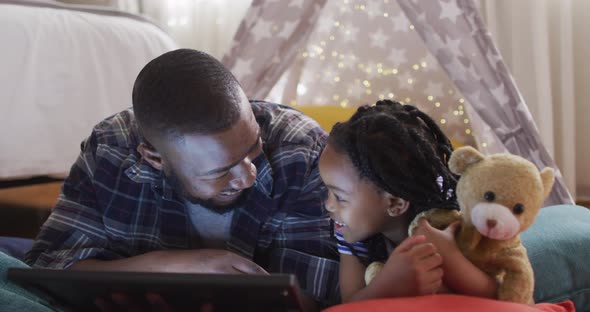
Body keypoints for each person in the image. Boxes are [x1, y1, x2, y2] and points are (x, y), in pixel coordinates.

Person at [24, 49, 339, 309]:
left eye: (253, 146)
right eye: (220, 171)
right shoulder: (109, 148)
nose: (247, 176)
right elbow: (49, 268)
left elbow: (316, 296)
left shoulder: (303, 150)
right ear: (155, 158)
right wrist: (170, 265)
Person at [318, 100, 498, 302]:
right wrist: (388, 285)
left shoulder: (446, 230)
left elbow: (498, 296)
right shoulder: (353, 238)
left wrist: (450, 257)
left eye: (340, 197)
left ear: (395, 203)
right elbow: (350, 305)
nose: (328, 205)